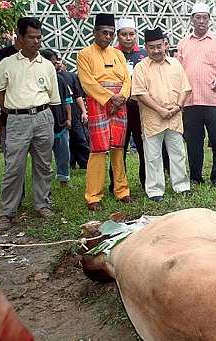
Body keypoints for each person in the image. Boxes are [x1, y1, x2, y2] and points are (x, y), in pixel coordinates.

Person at [0, 17, 60, 229]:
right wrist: (13, 110)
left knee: (44, 165)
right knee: (14, 167)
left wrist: (51, 120)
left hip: (43, 116)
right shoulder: (6, 64)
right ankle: (7, 212)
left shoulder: (47, 66)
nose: (36, 41)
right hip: (17, 120)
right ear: (20, 38)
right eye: (31, 37)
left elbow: (53, 97)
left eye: (39, 37)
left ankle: (42, 204)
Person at [77, 13, 132, 211]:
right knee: (98, 150)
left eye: (110, 34)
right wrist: (110, 98)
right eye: (104, 33)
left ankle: (122, 191)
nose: (108, 37)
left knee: (118, 148)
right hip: (98, 103)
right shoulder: (84, 54)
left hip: (120, 104)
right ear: (95, 32)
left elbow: (127, 79)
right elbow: (87, 82)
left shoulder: (118, 55)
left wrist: (122, 97)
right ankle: (93, 196)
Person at [131, 27, 191, 202]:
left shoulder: (176, 64)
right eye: (152, 47)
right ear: (146, 47)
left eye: (159, 46)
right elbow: (140, 93)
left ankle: (181, 186)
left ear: (165, 45)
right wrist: (160, 110)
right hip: (153, 118)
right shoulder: (141, 67)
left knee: (178, 153)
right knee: (153, 156)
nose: (156, 50)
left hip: (174, 116)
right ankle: (155, 190)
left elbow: (185, 88)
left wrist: (178, 107)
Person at [177, 3, 216, 188]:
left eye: (205, 17)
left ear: (209, 20)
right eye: (197, 17)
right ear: (192, 20)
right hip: (191, 101)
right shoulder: (183, 43)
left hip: (215, 100)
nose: (201, 21)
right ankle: (195, 176)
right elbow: (177, 71)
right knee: (193, 142)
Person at [108, 18, 148, 191]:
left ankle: (147, 181)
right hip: (118, 108)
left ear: (136, 35)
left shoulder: (145, 54)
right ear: (118, 36)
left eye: (131, 34)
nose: (128, 38)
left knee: (143, 146)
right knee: (118, 147)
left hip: (140, 108)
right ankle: (116, 184)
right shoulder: (110, 53)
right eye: (124, 34)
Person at [40, 48, 73, 187]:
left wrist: (69, 119)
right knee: (43, 158)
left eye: (54, 63)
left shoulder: (60, 79)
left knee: (64, 154)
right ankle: (44, 185)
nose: (54, 66)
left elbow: (67, 101)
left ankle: (63, 180)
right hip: (43, 124)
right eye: (51, 63)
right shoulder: (38, 80)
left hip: (60, 123)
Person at [0, 25, 22, 150]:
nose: (35, 41)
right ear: (18, 33)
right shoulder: (1, 56)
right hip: (10, 115)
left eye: (38, 37)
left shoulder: (40, 58)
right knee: (13, 159)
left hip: (37, 115)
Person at [58, 65, 90, 169]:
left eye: (59, 60)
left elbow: (78, 95)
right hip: (60, 113)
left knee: (81, 138)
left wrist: (84, 111)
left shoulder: (72, 76)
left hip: (75, 112)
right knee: (66, 141)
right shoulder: (52, 77)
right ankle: (70, 164)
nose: (58, 63)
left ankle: (85, 163)